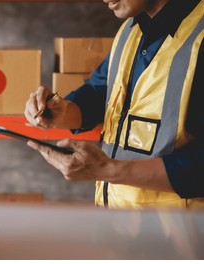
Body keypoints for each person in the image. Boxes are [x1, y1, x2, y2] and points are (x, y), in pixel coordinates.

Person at [24, 0, 203, 208]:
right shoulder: (129, 30)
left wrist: (108, 170)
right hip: (120, 225)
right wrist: (61, 111)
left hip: (183, 231)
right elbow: (98, 91)